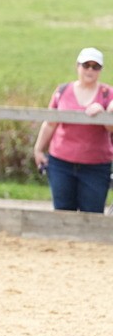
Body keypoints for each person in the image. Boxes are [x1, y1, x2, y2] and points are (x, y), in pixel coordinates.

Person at [33, 47, 113, 213]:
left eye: (95, 66)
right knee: (62, 211)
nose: (90, 70)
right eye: (86, 65)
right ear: (78, 66)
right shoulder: (62, 91)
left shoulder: (108, 94)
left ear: (100, 70)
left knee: (92, 213)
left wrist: (103, 114)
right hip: (61, 162)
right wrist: (38, 149)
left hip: (96, 166)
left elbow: (111, 128)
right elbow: (50, 123)